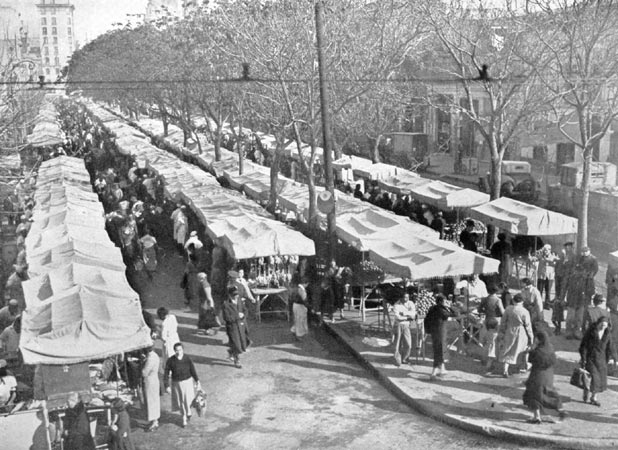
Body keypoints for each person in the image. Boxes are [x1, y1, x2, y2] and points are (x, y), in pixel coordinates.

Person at [522, 330, 568, 424]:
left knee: (533, 395)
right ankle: (560, 410)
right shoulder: (550, 348)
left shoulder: (537, 351)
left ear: (539, 339)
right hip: (548, 376)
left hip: (537, 375)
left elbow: (530, 362)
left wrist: (530, 350)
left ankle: (537, 417)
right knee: (548, 393)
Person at [579, 317, 617, 406]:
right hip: (590, 358)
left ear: (607, 325)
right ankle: (586, 391)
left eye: (605, 325)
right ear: (598, 323)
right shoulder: (590, 333)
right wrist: (583, 358)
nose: (603, 326)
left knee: (599, 380)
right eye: (601, 324)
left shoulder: (608, 334)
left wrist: (615, 358)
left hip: (602, 360)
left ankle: (593, 397)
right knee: (592, 377)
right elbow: (583, 346)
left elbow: (611, 347)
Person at [164, 342, 200, 427]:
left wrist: (197, 380)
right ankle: (183, 417)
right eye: (176, 350)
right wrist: (166, 385)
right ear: (174, 351)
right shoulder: (170, 360)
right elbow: (166, 373)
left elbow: (192, 370)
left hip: (187, 382)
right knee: (181, 401)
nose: (178, 352)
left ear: (182, 350)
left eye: (180, 350)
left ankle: (188, 412)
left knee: (188, 400)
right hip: (177, 383)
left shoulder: (187, 358)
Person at [498, 293, 534, 377]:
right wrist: (531, 338)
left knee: (508, 349)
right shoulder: (525, 311)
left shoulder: (508, 309)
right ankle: (523, 367)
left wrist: (502, 332)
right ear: (522, 302)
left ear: (513, 300)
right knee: (522, 350)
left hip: (509, 330)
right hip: (521, 332)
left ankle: (505, 369)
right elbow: (528, 326)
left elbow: (503, 322)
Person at [424, 294, 454, 379]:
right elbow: (454, 313)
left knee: (438, 349)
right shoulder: (442, 310)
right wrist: (450, 306)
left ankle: (442, 368)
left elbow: (426, 320)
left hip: (434, 332)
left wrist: (428, 330)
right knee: (440, 350)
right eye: (445, 301)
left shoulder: (432, 308)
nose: (446, 302)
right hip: (441, 332)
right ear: (441, 302)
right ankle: (434, 372)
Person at [223, 285, 249, 368]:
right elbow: (227, 318)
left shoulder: (240, 301)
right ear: (230, 295)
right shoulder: (226, 304)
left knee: (242, 343)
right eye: (234, 295)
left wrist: (244, 315)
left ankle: (231, 351)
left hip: (241, 326)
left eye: (237, 295)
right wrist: (238, 316)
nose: (236, 297)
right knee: (236, 344)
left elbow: (245, 310)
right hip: (232, 327)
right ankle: (237, 361)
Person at [392, 293, 417, 366]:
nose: (406, 299)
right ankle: (397, 359)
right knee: (397, 343)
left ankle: (405, 358)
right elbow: (398, 317)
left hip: (406, 325)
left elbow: (413, 314)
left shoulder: (411, 303)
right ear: (401, 298)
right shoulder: (396, 305)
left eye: (407, 297)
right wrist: (408, 317)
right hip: (398, 325)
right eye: (404, 297)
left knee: (408, 344)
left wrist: (403, 313)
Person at [141, 347, 160, 432]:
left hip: (150, 381)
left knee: (151, 401)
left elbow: (144, 372)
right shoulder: (154, 355)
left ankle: (154, 422)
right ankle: (154, 421)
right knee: (153, 400)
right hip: (154, 379)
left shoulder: (151, 358)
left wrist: (142, 364)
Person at [290, 275, 309, 340]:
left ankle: (294, 330)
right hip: (300, 306)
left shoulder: (296, 288)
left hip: (295, 305)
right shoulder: (302, 290)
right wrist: (308, 306)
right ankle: (299, 335)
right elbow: (304, 299)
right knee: (301, 320)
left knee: (297, 319)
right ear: (305, 283)